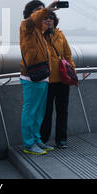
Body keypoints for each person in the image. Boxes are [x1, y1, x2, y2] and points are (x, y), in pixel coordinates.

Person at [20, 0, 60, 155]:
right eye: (38, 10)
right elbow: (33, 20)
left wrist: (52, 18)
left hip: (43, 75)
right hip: (31, 76)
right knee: (30, 111)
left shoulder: (39, 30)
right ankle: (28, 144)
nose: (42, 13)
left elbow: (51, 30)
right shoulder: (26, 25)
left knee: (39, 112)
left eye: (43, 10)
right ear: (30, 13)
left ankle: (37, 140)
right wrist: (46, 9)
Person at [40, 11, 76, 149]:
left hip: (62, 79)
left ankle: (61, 139)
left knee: (62, 110)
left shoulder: (60, 35)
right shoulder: (39, 36)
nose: (49, 21)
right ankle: (44, 139)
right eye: (45, 19)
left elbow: (67, 54)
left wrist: (72, 71)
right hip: (47, 80)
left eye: (51, 19)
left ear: (55, 21)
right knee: (46, 111)